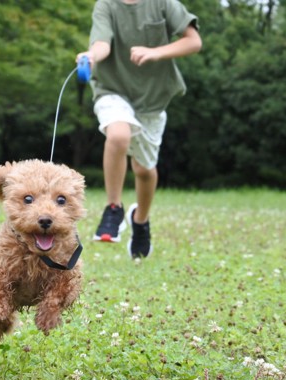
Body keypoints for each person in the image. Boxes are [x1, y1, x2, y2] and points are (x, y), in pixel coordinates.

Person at [76, 0, 202, 258]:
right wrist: (90, 55)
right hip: (111, 90)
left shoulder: (164, 4)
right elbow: (102, 44)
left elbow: (193, 41)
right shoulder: (106, 6)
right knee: (118, 135)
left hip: (153, 99)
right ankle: (114, 208)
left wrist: (157, 52)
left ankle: (141, 221)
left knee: (144, 170)